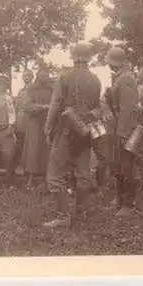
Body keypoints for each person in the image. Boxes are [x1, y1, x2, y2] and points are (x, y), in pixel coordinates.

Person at [43, 42, 102, 228]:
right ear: (88, 58)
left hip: (66, 130)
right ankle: (82, 210)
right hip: (86, 131)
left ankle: (63, 216)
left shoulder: (65, 77)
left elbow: (55, 103)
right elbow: (97, 108)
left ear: (73, 56)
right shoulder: (95, 80)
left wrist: (48, 126)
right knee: (83, 172)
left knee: (55, 174)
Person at [105, 47, 140, 217]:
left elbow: (127, 108)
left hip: (125, 128)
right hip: (118, 126)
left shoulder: (125, 79)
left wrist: (122, 132)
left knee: (127, 166)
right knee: (117, 165)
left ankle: (128, 204)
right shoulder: (121, 77)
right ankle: (119, 200)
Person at [21, 67, 54, 188]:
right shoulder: (31, 89)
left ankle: (46, 179)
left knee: (47, 150)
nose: (44, 79)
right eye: (41, 76)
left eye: (46, 76)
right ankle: (30, 179)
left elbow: (57, 104)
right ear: (37, 77)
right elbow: (27, 106)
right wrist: (43, 107)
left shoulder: (53, 89)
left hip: (48, 123)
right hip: (34, 123)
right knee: (33, 151)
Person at [13, 69, 34, 174]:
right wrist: (16, 123)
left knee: (31, 146)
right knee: (20, 145)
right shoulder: (20, 91)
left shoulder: (35, 90)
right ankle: (21, 166)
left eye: (28, 76)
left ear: (32, 77)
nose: (26, 77)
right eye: (24, 76)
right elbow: (17, 108)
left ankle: (30, 168)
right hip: (21, 123)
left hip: (31, 123)